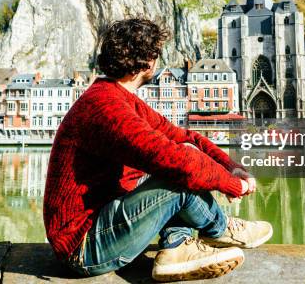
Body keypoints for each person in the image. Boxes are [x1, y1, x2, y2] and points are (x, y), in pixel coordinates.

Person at [43, 18, 272, 282]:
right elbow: (177, 161)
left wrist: (233, 168)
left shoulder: (117, 97)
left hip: (104, 225)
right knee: (181, 169)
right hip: (83, 246)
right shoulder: (105, 107)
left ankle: (176, 247)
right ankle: (220, 228)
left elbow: (187, 138)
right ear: (148, 61)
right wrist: (233, 185)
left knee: (183, 158)